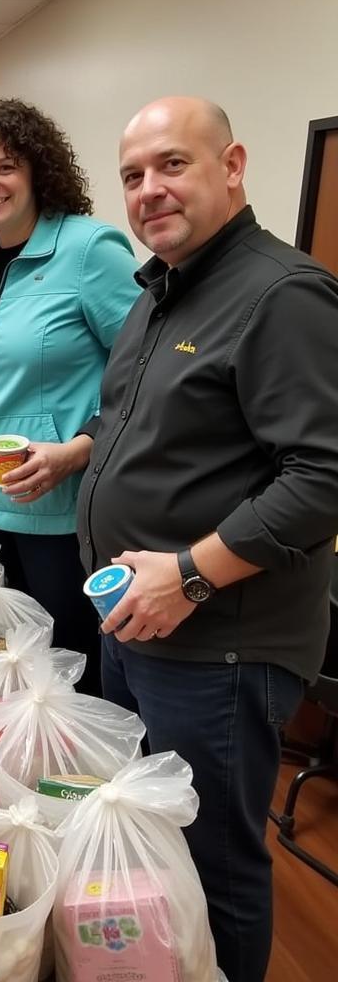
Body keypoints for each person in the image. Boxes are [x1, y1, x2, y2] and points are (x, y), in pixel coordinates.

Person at [79, 96, 338, 982]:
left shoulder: (281, 294)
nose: (150, 190)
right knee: (157, 844)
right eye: (133, 176)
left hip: (217, 639)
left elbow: (323, 477)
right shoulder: (162, 289)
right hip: (138, 617)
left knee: (213, 861)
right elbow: (149, 431)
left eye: (173, 165)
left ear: (232, 165)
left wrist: (189, 576)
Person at [0, 98, 140, 695]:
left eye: (6, 166)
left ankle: (73, 778)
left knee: (62, 663)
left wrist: (79, 449)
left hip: (53, 507)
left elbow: (144, 377)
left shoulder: (90, 250)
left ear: (38, 170)